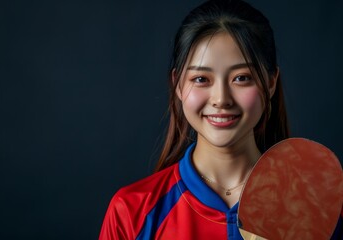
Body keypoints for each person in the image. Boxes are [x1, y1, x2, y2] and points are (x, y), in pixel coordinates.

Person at [99, 0, 341, 239]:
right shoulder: (131, 211)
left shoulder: (317, 207)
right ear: (178, 85)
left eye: (241, 77)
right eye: (201, 79)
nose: (221, 99)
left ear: (270, 83)